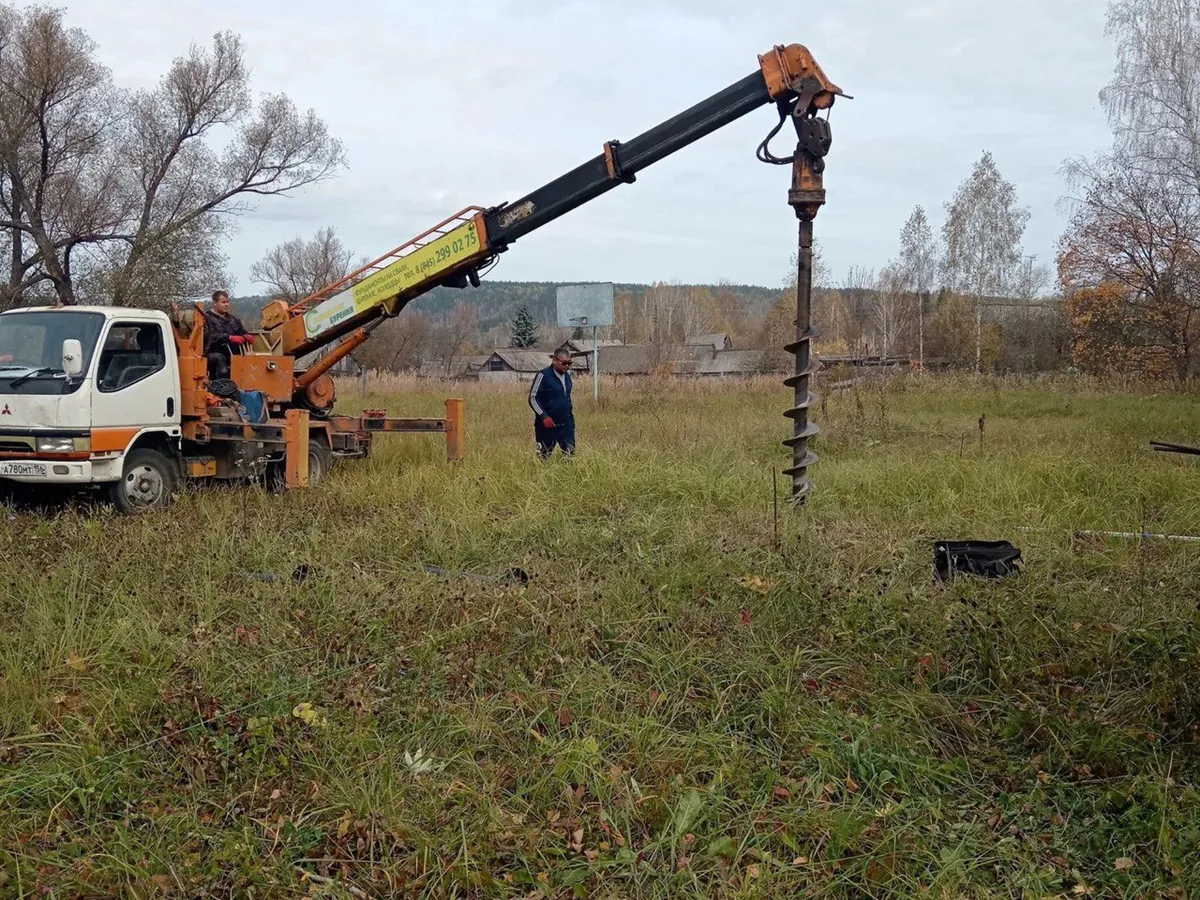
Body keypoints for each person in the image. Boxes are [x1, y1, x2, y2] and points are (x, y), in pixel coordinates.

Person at [528, 348, 575, 458]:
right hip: (547, 426)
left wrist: (571, 420)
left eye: (569, 363)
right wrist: (544, 416)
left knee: (570, 456)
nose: (567, 366)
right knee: (543, 458)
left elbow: (567, 398)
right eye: (564, 363)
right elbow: (533, 398)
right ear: (554, 360)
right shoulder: (543, 376)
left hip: (566, 425)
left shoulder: (568, 377)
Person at [201, 290, 252, 380]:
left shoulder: (233, 319)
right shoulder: (207, 319)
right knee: (219, 359)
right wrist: (228, 337)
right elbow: (209, 335)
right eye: (223, 302)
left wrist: (246, 336)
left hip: (233, 355)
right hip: (212, 354)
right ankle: (223, 387)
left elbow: (241, 331)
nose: (226, 304)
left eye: (228, 302)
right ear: (215, 303)